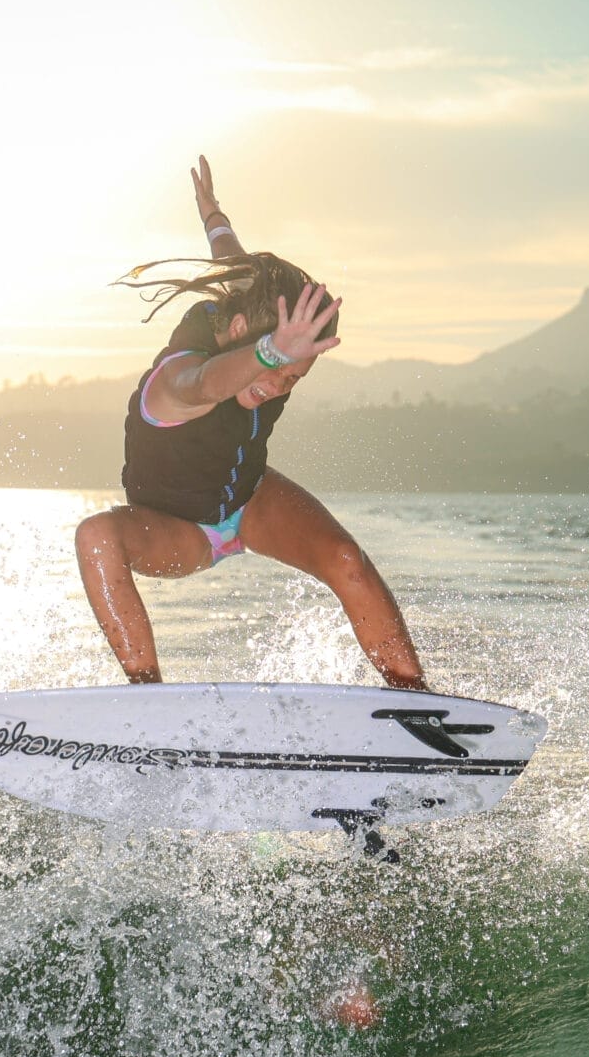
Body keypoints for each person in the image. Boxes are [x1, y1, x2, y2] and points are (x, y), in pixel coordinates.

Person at [75, 156, 428, 692]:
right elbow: (207, 385)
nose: (279, 384)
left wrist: (215, 218)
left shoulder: (247, 313)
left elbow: (237, 269)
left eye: (294, 377)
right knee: (96, 535)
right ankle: (145, 697)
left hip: (250, 498)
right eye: (275, 369)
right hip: (178, 529)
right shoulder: (175, 383)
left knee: (346, 560)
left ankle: (415, 705)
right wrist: (269, 353)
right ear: (242, 333)